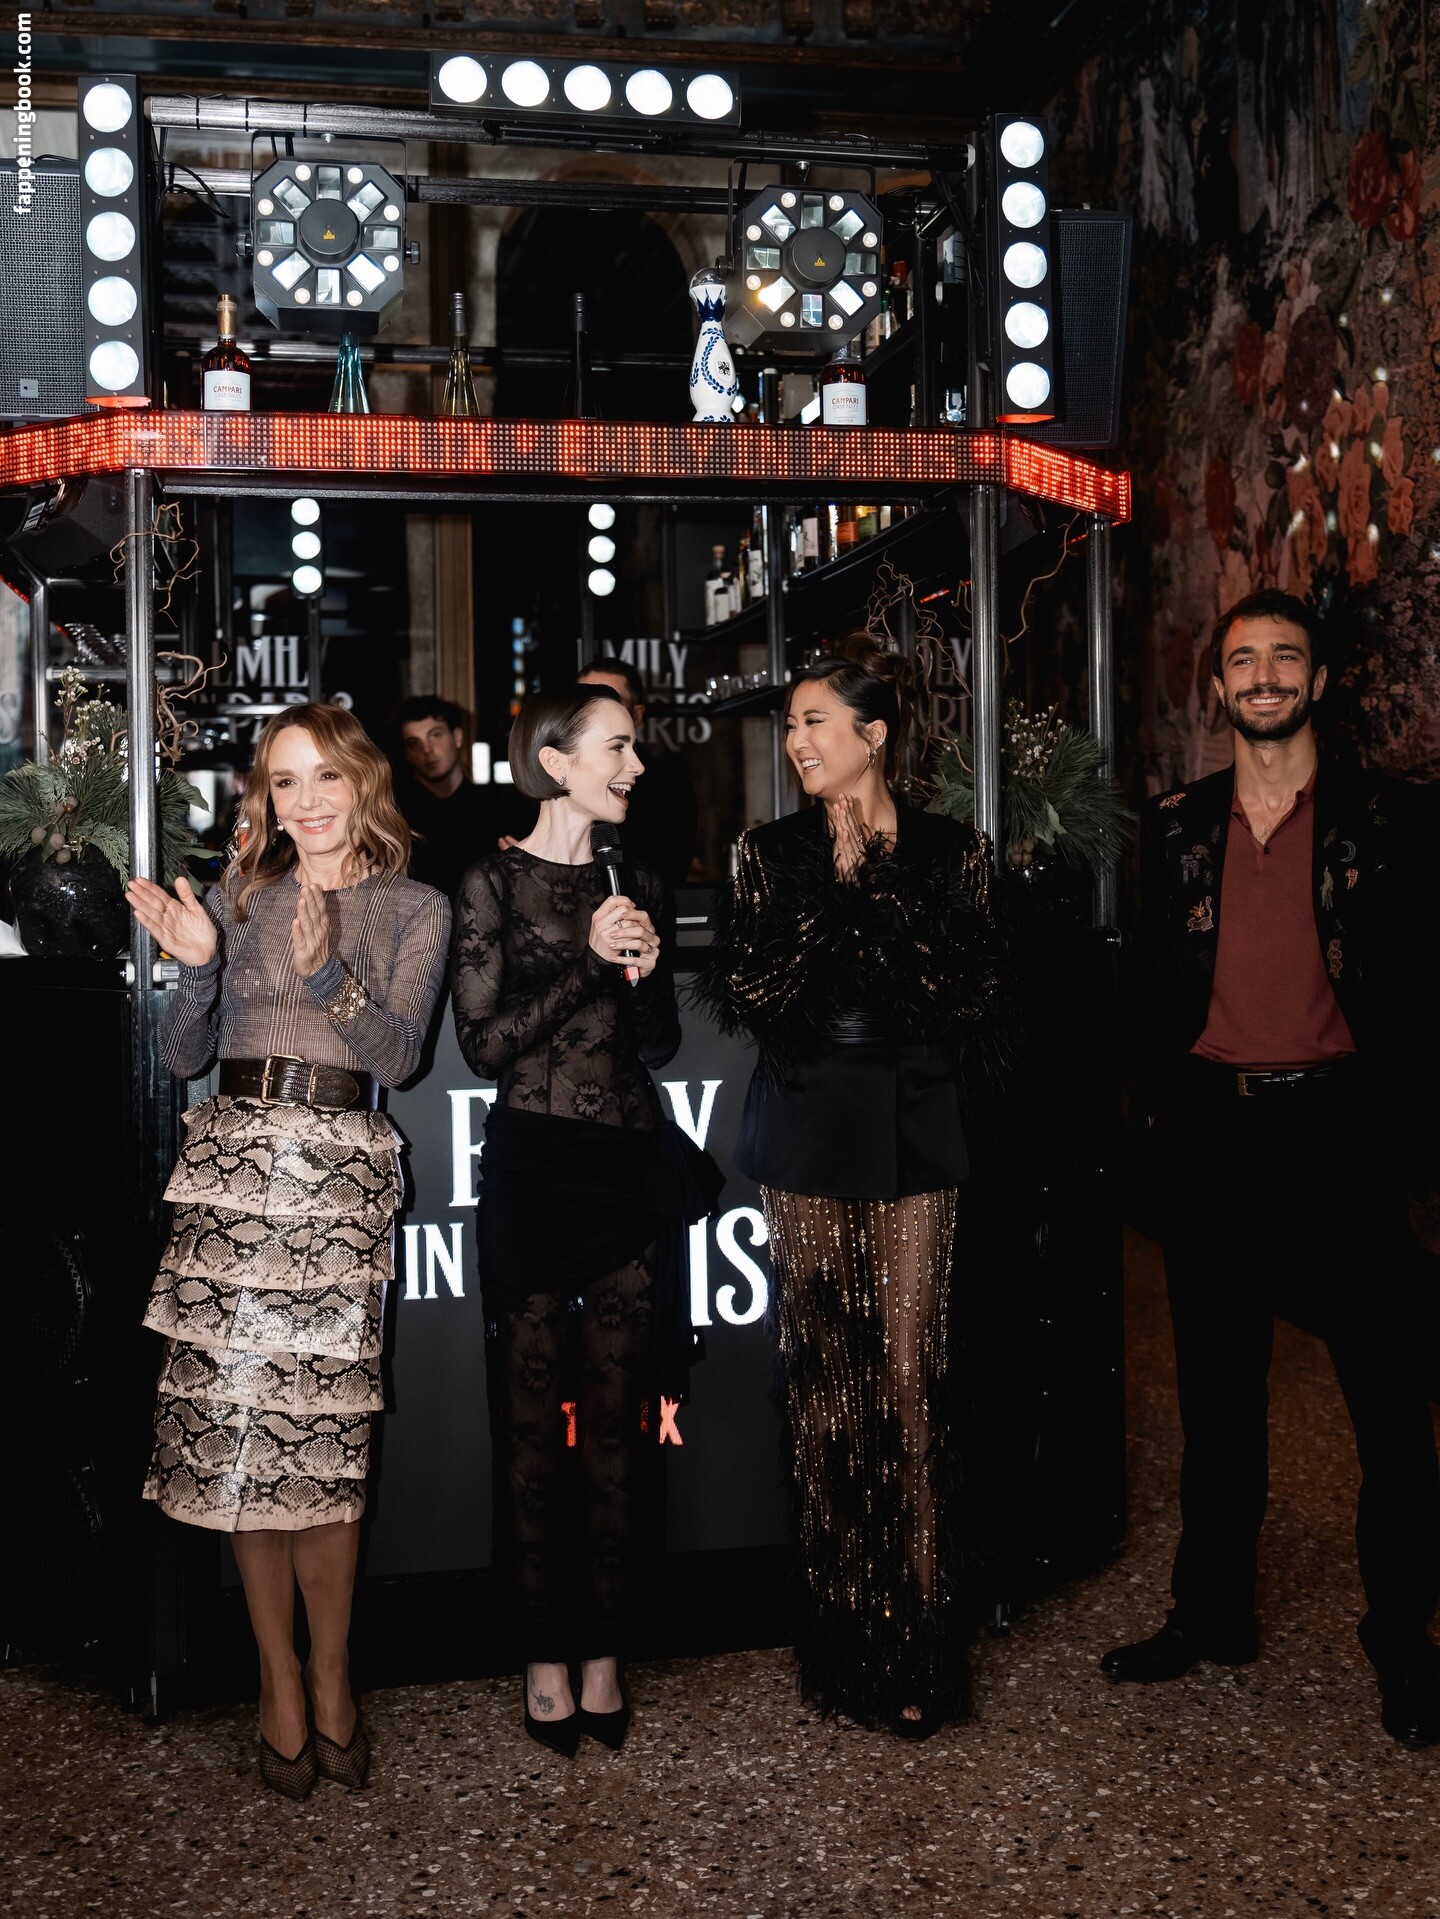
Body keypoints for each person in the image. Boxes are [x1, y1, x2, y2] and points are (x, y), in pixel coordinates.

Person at [1105, 589, 1440, 1748]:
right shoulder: (1177, 825)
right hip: (1215, 1139)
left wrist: (1410, 1142)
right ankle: (1213, 1613)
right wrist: (1156, 1116)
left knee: (1390, 1406)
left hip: (1345, 1137)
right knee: (1218, 1397)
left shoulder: (1391, 820)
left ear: (1318, 679)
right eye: (1243, 659)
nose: (1263, 676)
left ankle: (1404, 1639)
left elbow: (1421, 990)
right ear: (1219, 686)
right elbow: (1154, 986)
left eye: (1284, 658)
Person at [125, 703, 451, 1798]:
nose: (306, 800)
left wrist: (325, 977)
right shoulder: (237, 894)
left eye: (326, 777)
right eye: (284, 780)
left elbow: (399, 1060)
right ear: (265, 796)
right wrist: (196, 966)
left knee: (324, 1449)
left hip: (337, 1188)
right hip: (231, 1185)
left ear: (364, 783)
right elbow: (182, 1058)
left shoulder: (415, 906)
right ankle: (275, 1677)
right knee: (241, 1440)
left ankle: (333, 1670)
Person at [694, 635, 1007, 1738]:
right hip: (806, 1118)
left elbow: (967, 994)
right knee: (828, 1381)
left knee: (913, 1380)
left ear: (875, 734)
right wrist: (840, 903)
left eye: (815, 721)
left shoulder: (955, 850)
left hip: (919, 1119)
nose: (796, 740)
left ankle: (919, 1637)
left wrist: (872, 893)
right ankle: (843, 1639)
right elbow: (757, 992)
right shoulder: (766, 852)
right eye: (790, 724)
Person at [452, 686, 714, 1758]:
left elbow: (656, 1044)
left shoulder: (634, 877)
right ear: (555, 762)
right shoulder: (488, 883)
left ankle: (605, 1651)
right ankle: (542, 1658)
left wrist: (640, 975)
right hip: (533, 1172)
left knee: (616, 1430)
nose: (636, 766)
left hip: (623, 1176)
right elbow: (482, 1047)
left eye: (635, 749)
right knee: (529, 1434)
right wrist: (587, 963)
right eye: (618, 748)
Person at [575, 658, 700, 888]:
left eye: (613, 702)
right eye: (584, 703)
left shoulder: (669, 789)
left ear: (637, 714)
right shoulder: (550, 778)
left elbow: (666, 880)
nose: (595, 714)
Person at [394, 694, 531, 899]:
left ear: (457, 737)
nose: (427, 749)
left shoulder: (497, 809)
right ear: (407, 753)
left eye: (435, 735)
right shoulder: (397, 817)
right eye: (414, 743)